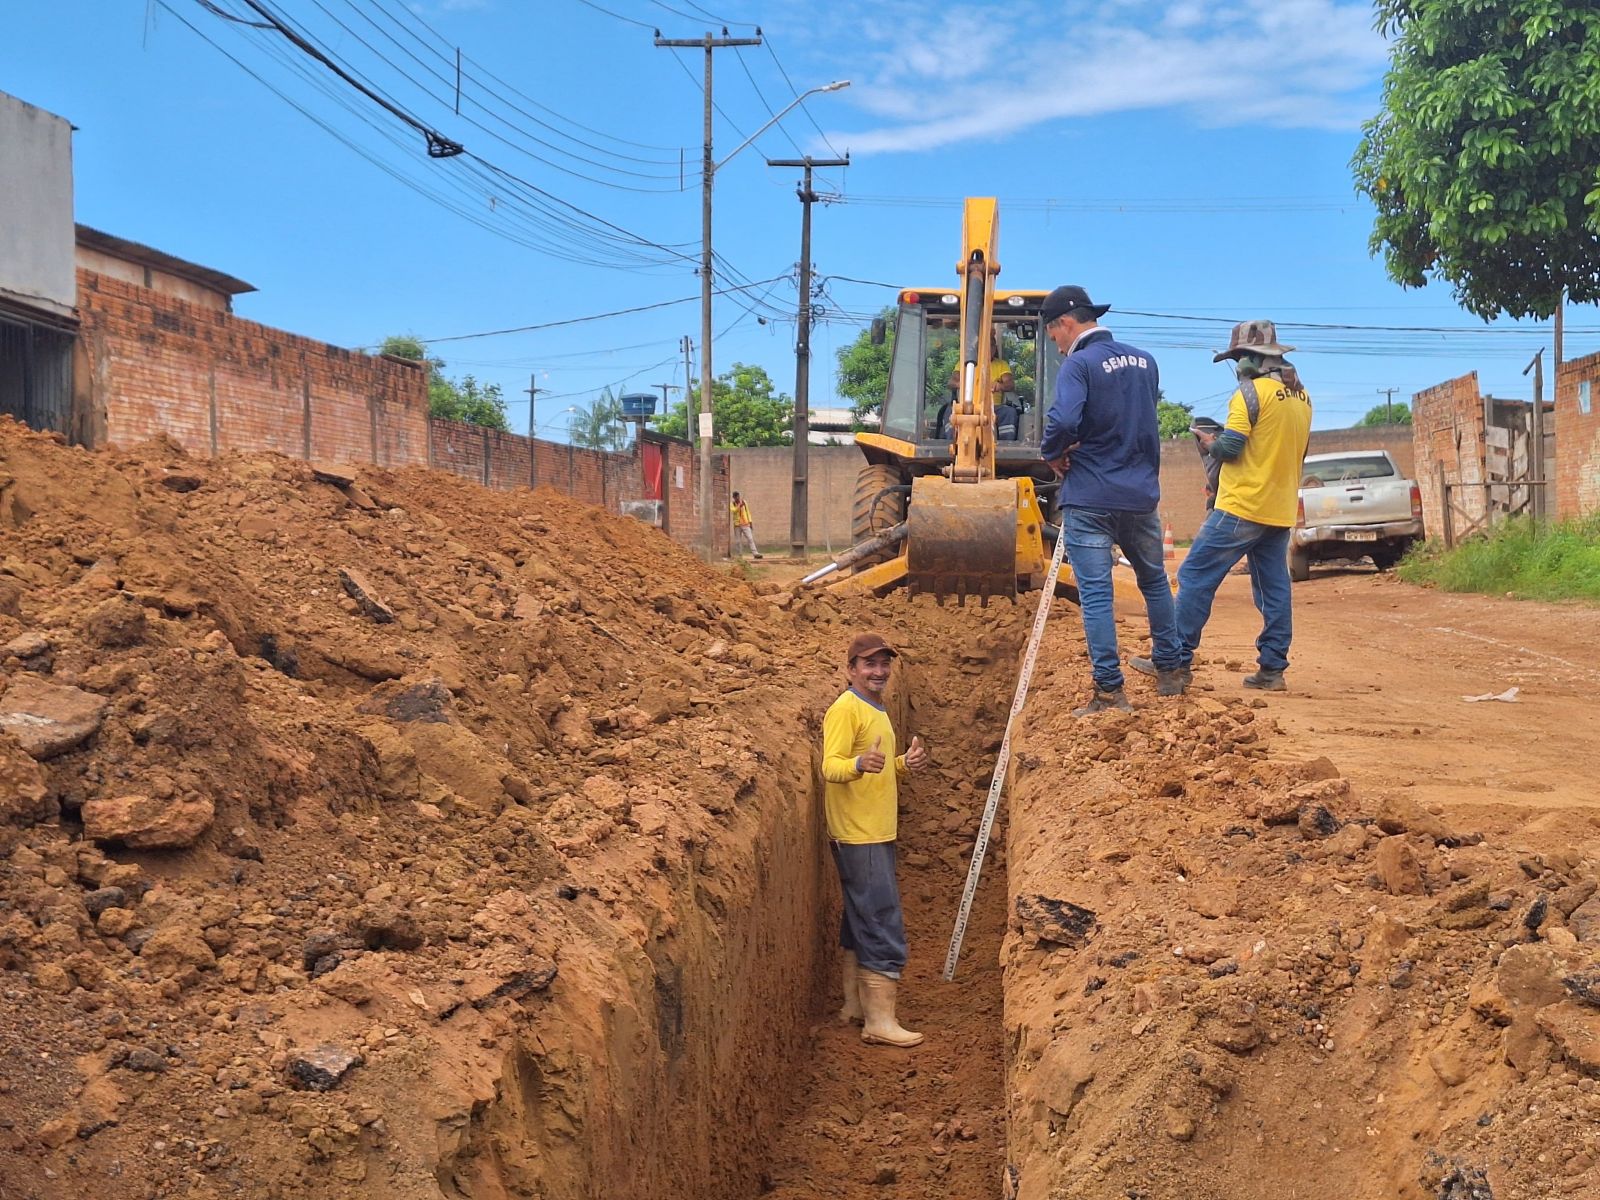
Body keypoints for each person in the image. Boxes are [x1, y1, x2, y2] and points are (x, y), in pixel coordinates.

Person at [1134, 320, 1312, 691]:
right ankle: (1272, 669)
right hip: (1278, 508)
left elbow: (1231, 449)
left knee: (1196, 575)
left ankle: (1176, 661)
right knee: (1273, 587)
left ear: (1251, 358)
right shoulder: (1303, 397)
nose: (1237, 366)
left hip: (1241, 505)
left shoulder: (1249, 394)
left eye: (1238, 358)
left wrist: (1207, 443)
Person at [1038, 285, 1185, 713]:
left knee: (1097, 594)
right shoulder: (1145, 361)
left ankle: (1109, 691)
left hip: (1090, 495)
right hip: (1140, 494)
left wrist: (1052, 453)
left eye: (1054, 337)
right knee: (1154, 580)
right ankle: (1171, 671)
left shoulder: (1079, 365)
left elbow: (1064, 419)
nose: (1056, 346)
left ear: (1065, 324)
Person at [820, 632, 930, 1048]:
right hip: (860, 834)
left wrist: (902, 765)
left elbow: (876, 769)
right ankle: (880, 1021)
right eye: (869, 664)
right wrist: (858, 763)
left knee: (859, 917)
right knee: (881, 919)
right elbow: (831, 766)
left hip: (872, 830)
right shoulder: (846, 709)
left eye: (884, 664)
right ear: (851, 670)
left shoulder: (875, 707)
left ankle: (855, 1007)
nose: (879, 671)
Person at [729, 491, 762, 559]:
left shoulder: (744, 502)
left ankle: (755, 553)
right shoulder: (732, 504)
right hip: (737, 525)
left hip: (745, 523)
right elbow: (733, 511)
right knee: (738, 541)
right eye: (736, 497)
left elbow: (748, 512)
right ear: (734, 498)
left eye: (738, 496)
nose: (738, 498)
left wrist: (750, 522)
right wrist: (739, 506)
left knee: (750, 538)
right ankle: (740, 555)